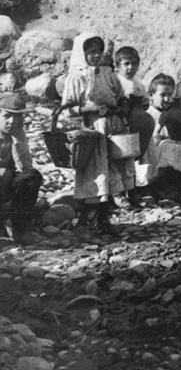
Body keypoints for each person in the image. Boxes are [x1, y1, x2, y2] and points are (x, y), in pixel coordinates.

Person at [62, 32, 135, 236]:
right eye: (91, 52)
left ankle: (103, 218)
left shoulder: (107, 73)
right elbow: (68, 109)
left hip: (114, 126)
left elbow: (121, 96)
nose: (95, 56)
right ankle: (90, 219)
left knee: (114, 168)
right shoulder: (76, 76)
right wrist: (90, 109)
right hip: (93, 129)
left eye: (98, 52)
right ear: (83, 53)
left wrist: (123, 107)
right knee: (96, 172)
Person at [136, 74, 181, 202]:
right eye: (163, 95)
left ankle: (178, 187)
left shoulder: (172, 114)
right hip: (152, 154)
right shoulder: (147, 116)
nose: (167, 98)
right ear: (151, 95)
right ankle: (147, 189)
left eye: (170, 95)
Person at [0, 94, 43, 243]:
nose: (12, 121)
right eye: (7, 116)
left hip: (4, 184)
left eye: (18, 118)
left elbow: (26, 167)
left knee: (31, 177)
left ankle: (20, 228)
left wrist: (17, 142)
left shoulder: (17, 134)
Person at [115, 46, 154, 206]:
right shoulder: (117, 82)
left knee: (133, 160)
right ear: (118, 66)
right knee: (120, 158)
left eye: (133, 63)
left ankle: (133, 189)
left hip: (138, 125)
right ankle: (118, 192)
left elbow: (144, 103)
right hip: (122, 124)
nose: (130, 68)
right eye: (126, 64)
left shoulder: (139, 85)